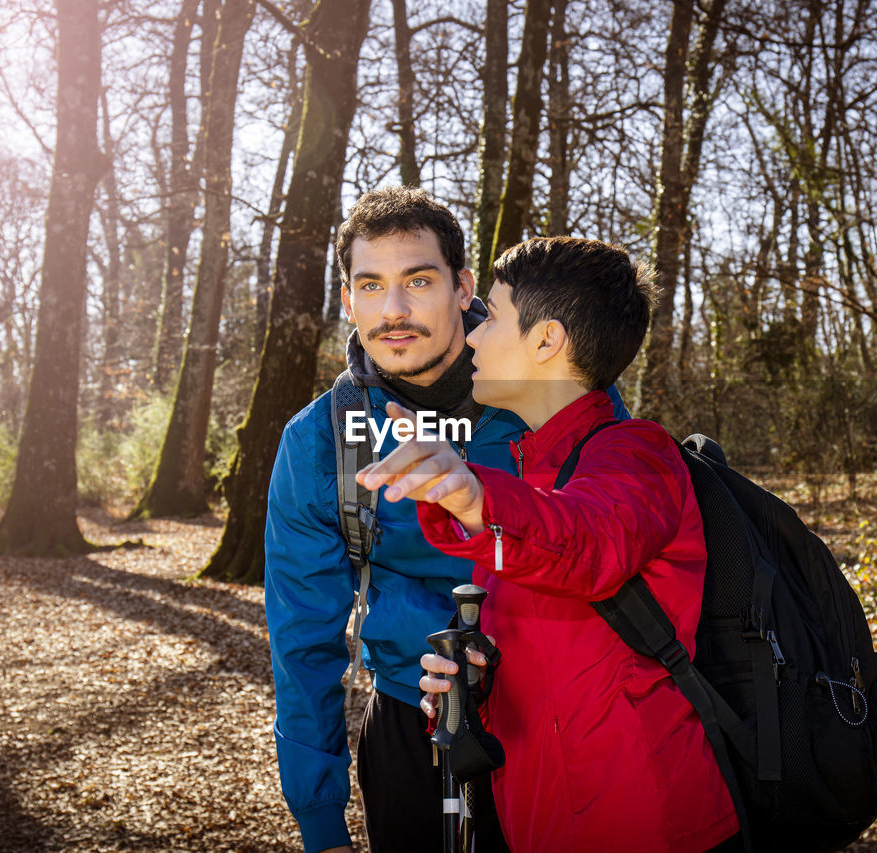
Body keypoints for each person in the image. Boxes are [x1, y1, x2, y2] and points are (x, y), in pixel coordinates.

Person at [264, 188, 626, 853]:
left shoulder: (558, 391)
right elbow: (302, 639)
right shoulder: (321, 439)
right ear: (347, 300)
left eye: (418, 281)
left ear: (463, 287)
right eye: (370, 285)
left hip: (568, 715)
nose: (393, 310)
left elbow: (619, 541)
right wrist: (320, 821)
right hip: (407, 720)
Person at [357, 237, 741, 853]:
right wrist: (466, 689)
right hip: (541, 822)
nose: (475, 336)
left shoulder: (638, 455)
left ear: (546, 340)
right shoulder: (531, 473)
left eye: (496, 316)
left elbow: (591, 543)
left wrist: (477, 496)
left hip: (645, 824)